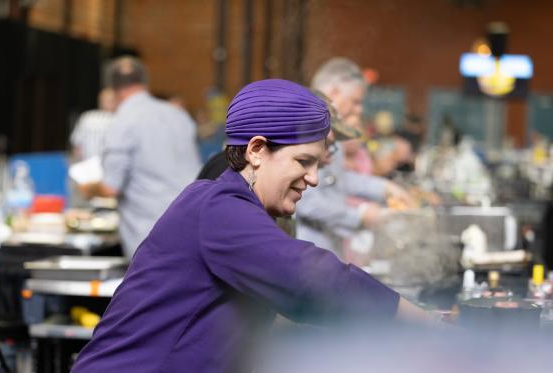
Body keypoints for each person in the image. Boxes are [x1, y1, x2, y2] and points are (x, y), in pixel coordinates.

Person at [71, 79, 431, 373]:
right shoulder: (218, 208)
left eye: (319, 163)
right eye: (303, 161)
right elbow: (313, 279)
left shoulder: (244, 208)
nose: (314, 178)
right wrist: (427, 324)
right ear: (257, 150)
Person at [77, 56, 202, 258]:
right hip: (196, 230)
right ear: (144, 82)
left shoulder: (122, 121)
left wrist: (87, 188)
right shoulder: (178, 115)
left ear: (113, 89)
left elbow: (110, 188)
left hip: (153, 239)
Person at [296, 57, 413, 255]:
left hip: (329, 247)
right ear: (333, 93)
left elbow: (338, 179)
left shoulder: (333, 129)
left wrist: (384, 188)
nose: (359, 110)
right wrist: (359, 216)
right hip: (306, 248)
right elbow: (305, 201)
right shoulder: (307, 126)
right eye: (356, 102)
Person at [70, 88, 117, 162]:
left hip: (88, 167)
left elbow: (77, 148)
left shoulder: (86, 117)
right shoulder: (119, 119)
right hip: (110, 168)